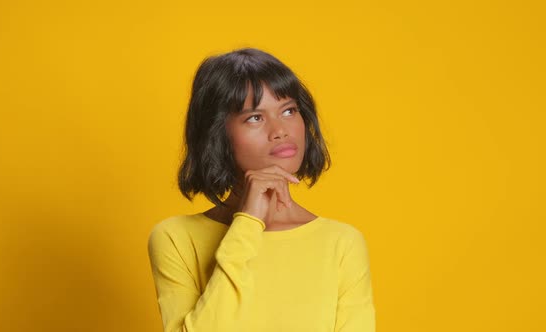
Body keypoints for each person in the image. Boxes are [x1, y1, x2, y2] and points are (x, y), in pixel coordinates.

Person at [147, 47, 376, 332]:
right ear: (217, 135)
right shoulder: (175, 239)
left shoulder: (342, 243)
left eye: (289, 110)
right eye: (254, 117)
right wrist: (247, 224)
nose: (280, 129)